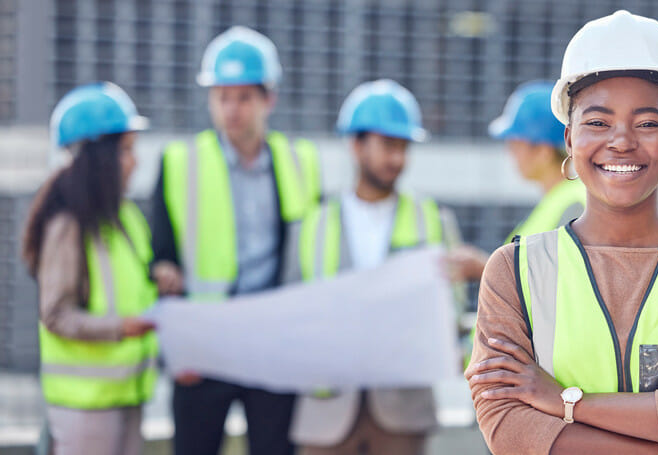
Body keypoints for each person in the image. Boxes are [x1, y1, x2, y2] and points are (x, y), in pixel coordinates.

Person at [465, 10, 658, 455]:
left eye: (648, 122)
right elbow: (509, 430)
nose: (621, 141)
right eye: (597, 122)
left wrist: (563, 403)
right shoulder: (513, 271)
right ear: (570, 138)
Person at [150, 26, 321, 455]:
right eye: (221, 96)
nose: (231, 109)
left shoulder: (301, 163)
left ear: (269, 99)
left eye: (243, 97)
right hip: (203, 348)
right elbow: (159, 256)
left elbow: (314, 253)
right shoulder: (179, 163)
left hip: (273, 342)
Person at [284, 79, 454, 455]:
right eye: (388, 145)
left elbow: (449, 311)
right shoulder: (312, 225)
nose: (398, 159)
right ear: (356, 144)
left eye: (404, 147)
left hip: (402, 409)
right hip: (326, 408)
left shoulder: (432, 220)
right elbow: (291, 313)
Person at [21, 82, 157, 455]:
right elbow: (56, 313)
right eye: (126, 150)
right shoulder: (68, 225)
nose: (135, 161)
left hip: (127, 392)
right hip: (85, 405)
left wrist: (161, 282)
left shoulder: (124, 217)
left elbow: (132, 286)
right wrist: (121, 328)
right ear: (98, 157)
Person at [446, 81, 585, 284]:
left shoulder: (573, 204)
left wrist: (484, 267)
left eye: (516, 144)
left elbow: (556, 283)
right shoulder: (557, 202)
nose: (511, 153)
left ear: (543, 151)